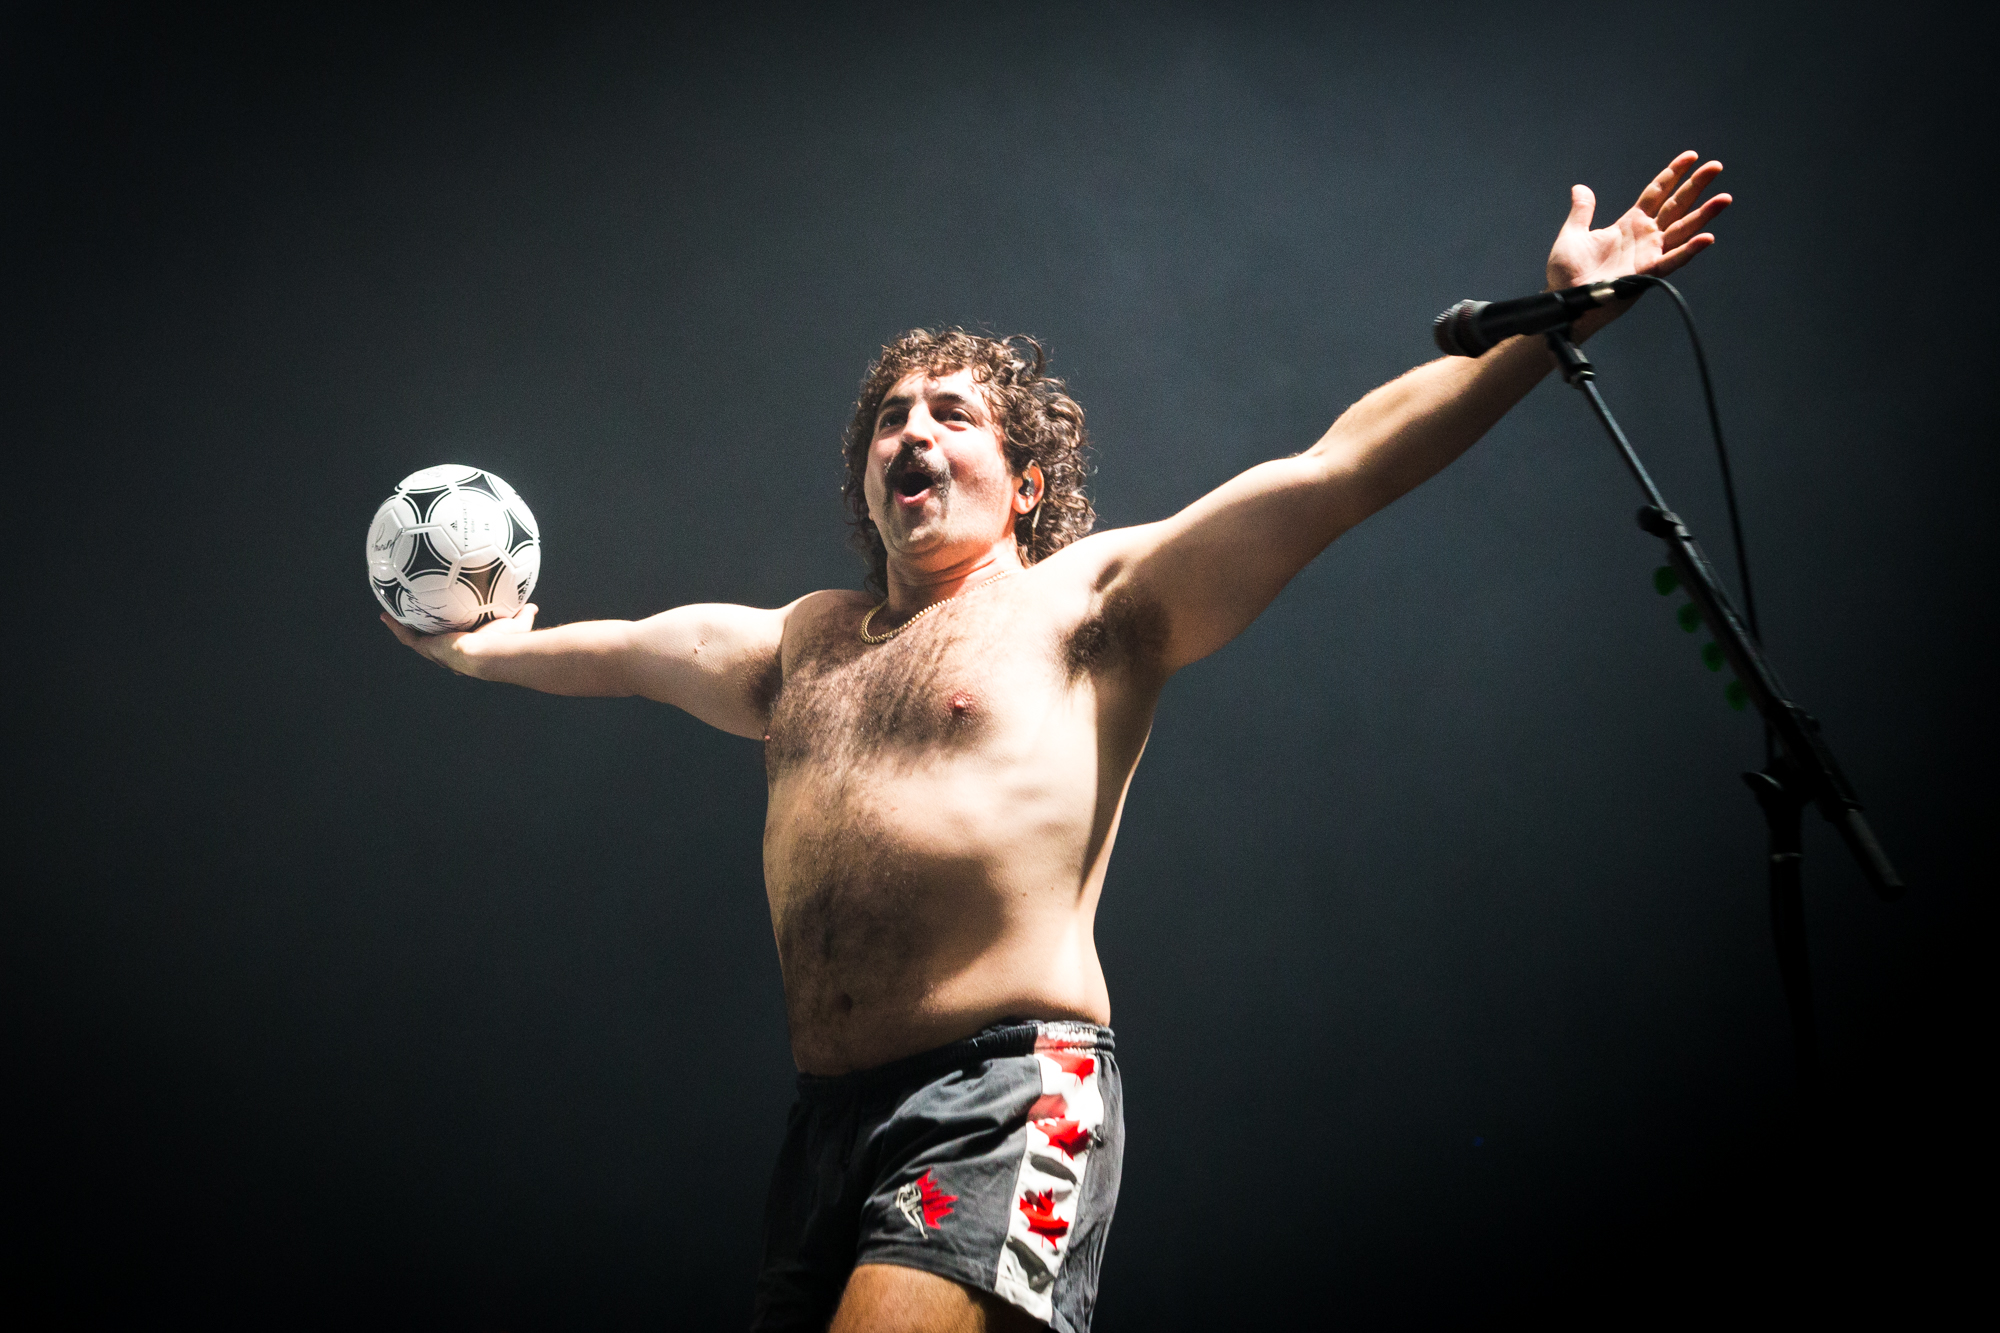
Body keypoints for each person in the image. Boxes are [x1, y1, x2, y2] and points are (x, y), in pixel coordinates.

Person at [383, 152, 1729, 1332]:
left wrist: (1552, 323)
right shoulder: (803, 643)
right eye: (891, 418)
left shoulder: (1090, 604)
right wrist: (476, 651)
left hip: (1003, 1096)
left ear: (1026, 484)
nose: (911, 430)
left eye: (951, 412)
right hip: (826, 1126)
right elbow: (629, 648)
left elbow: (1334, 471)